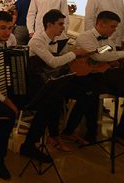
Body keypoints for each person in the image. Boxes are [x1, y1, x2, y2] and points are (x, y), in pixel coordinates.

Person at [0, 11, 48, 179]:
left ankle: (29, 145)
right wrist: (6, 100)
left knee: (45, 102)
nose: (7, 32)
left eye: (10, 28)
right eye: (3, 28)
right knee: (7, 115)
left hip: (6, 89)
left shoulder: (11, 40)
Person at [75, 10, 124, 144]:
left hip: (106, 75)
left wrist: (115, 60)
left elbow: (110, 58)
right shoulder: (85, 37)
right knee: (92, 92)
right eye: (112, 26)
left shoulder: (109, 41)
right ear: (101, 24)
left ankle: (123, 128)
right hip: (87, 77)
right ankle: (91, 131)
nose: (114, 30)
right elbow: (97, 56)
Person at [27, 9, 95, 151]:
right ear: (49, 24)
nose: (63, 27)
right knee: (55, 98)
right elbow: (53, 62)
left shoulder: (59, 38)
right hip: (39, 82)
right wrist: (74, 53)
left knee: (87, 94)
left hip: (55, 78)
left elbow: (63, 61)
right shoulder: (36, 41)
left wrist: (79, 57)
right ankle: (53, 135)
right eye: (60, 24)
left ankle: (69, 131)